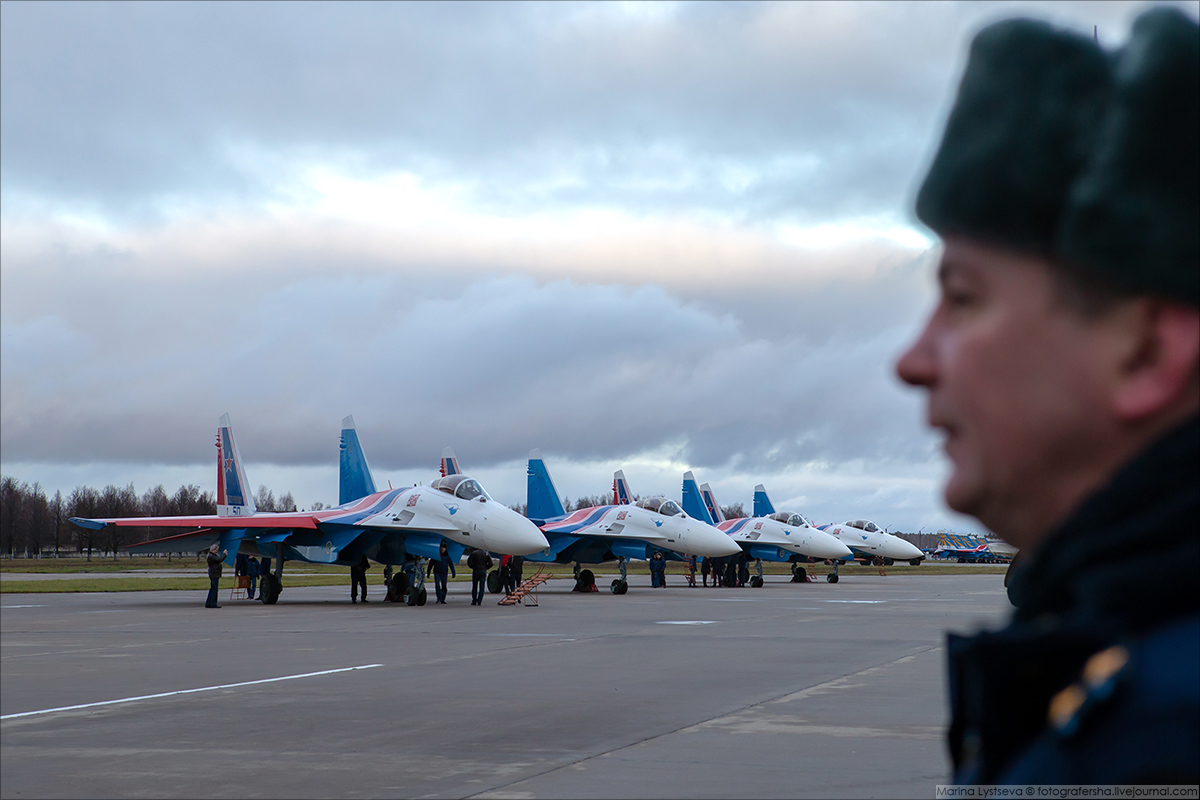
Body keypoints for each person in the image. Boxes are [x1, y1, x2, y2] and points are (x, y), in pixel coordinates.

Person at [895, 8, 1198, 785]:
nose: (913, 361)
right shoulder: (1120, 659)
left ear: (1146, 352)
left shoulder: (1159, 740)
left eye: (963, 299)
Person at [205, 543, 227, 609]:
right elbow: (219, 560)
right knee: (214, 589)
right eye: (216, 550)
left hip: (214, 573)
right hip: (214, 574)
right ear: (213, 550)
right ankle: (213, 603)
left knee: (212, 589)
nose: (217, 551)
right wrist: (224, 554)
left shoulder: (211, 555)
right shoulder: (211, 556)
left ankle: (209, 603)